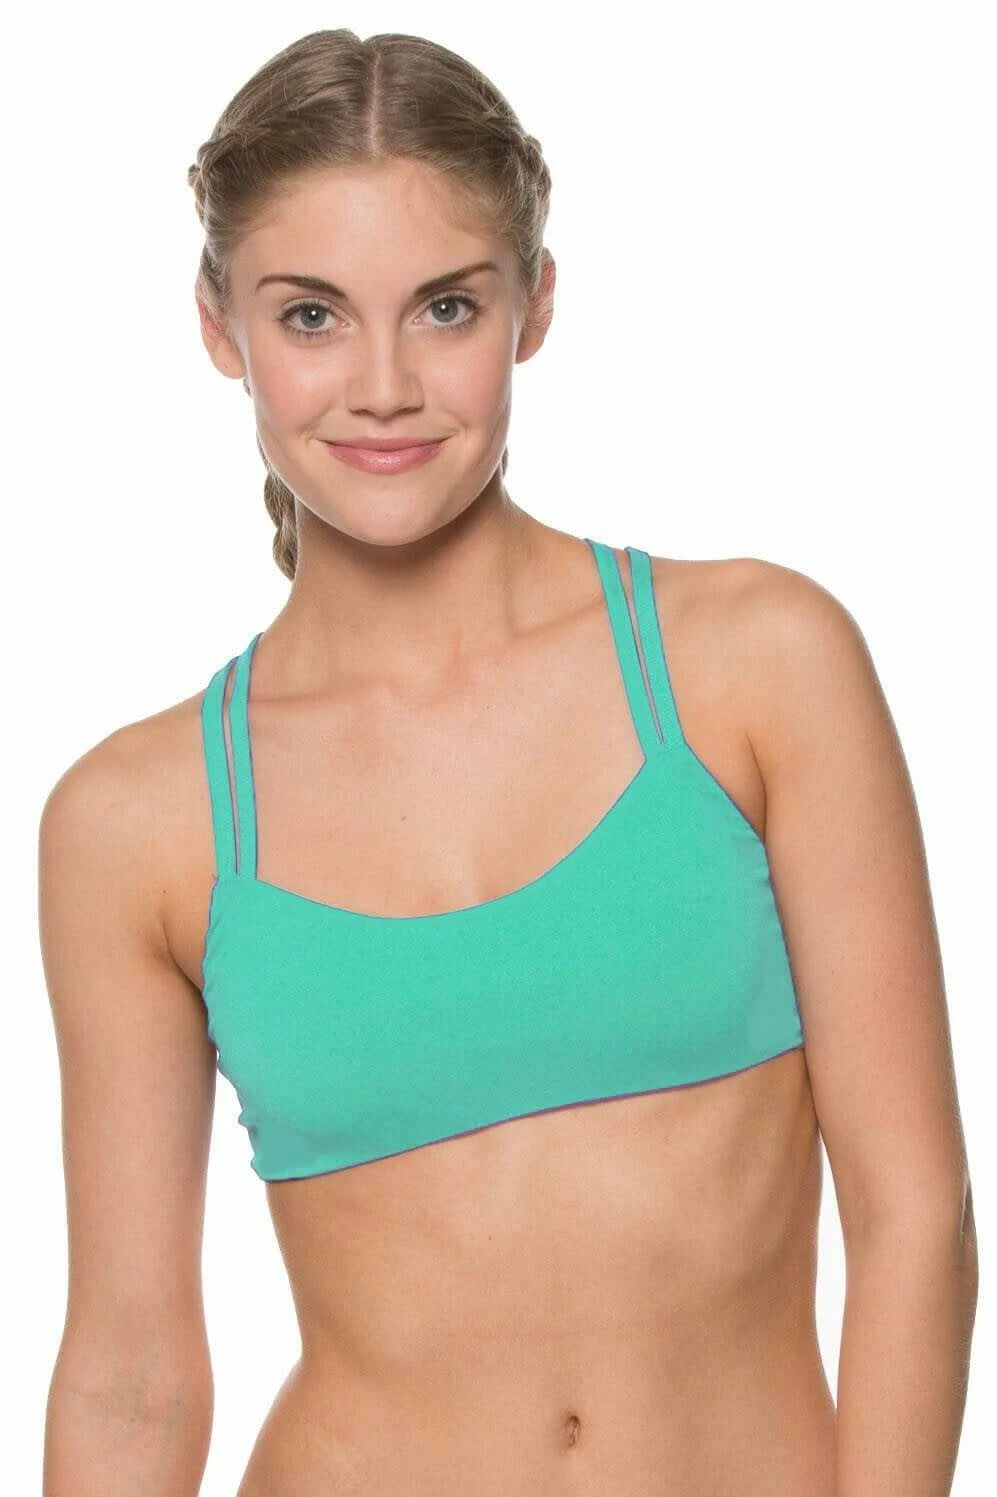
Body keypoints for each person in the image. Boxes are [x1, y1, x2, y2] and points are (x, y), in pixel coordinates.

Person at [39, 27, 977, 1497]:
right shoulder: (137, 824)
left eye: (446, 307)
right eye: (311, 316)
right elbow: (130, 1378)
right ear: (219, 328)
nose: (384, 385)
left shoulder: (755, 667)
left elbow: (917, 1219)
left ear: (536, 301)